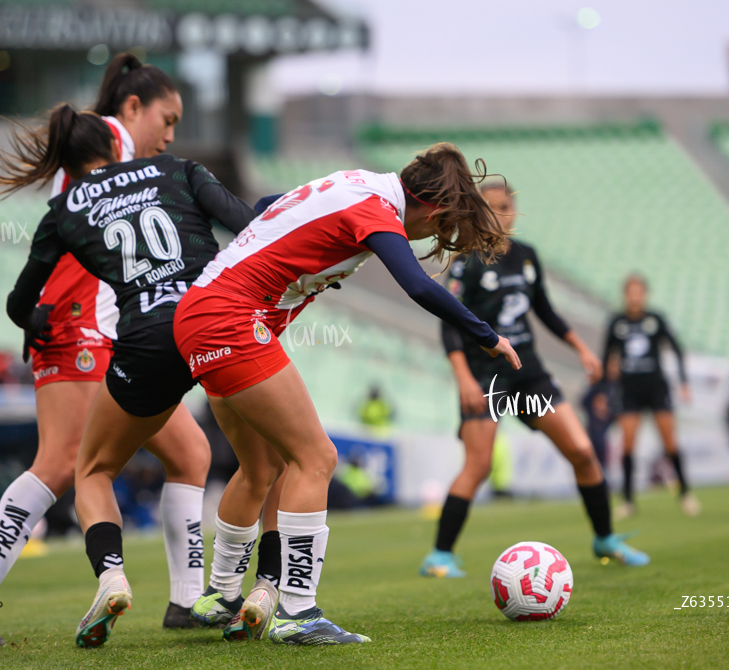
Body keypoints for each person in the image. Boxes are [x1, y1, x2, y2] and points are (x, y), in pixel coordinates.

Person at [171, 144, 523, 645]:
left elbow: (268, 205)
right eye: (442, 228)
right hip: (232, 320)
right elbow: (419, 287)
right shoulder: (376, 209)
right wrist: (487, 335)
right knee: (316, 457)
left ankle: (223, 592)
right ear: (436, 209)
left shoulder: (354, 183)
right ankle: (298, 613)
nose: (433, 238)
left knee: (260, 468)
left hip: (200, 313)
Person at [0, 53, 214, 646]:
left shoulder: (115, 152)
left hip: (102, 328)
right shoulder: (113, 137)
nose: (170, 135)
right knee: (63, 460)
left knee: (190, 452)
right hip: (75, 323)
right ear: (133, 109)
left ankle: (188, 602)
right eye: (167, 118)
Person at [0, 103, 257, 648]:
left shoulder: (65, 208)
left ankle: (112, 575)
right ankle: (256, 592)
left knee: (92, 468)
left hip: (147, 343)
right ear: (118, 143)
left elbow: (21, 302)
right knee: (278, 457)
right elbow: (249, 225)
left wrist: (33, 319)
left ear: (63, 162)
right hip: (215, 326)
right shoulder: (177, 169)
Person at [421, 180, 648, 579]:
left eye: (505, 206)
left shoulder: (526, 256)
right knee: (478, 465)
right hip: (485, 376)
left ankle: (606, 539)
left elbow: (544, 309)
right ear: (478, 211)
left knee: (581, 450)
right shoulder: (466, 262)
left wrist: (581, 347)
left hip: (528, 375)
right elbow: (450, 324)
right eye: (489, 206)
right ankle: (439, 555)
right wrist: (463, 379)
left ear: (514, 210)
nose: (499, 213)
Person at [604, 275, 701, 518]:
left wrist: (684, 382)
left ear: (645, 294)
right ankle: (627, 500)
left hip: (656, 388)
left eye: (639, 292)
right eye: (631, 292)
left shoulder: (655, 320)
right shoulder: (617, 322)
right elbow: (607, 356)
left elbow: (676, 348)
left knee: (670, 443)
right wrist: (605, 391)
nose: (635, 297)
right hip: (629, 390)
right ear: (625, 295)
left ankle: (685, 494)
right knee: (627, 444)